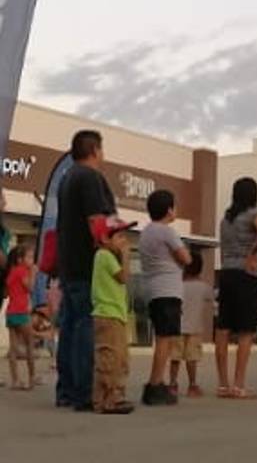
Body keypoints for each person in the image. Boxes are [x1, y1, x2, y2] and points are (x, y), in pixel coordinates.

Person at [54, 130, 116, 411]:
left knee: (69, 326)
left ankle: (66, 391)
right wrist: (111, 246)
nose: (103, 155)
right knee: (83, 326)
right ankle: (83, 393)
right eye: (101, 149)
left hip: (68, 263)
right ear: (94, 150)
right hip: (86, 264)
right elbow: (96, 221)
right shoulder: (90, 177)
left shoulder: (67, 178)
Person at [215, 177, 257, 399]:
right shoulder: (256, 214)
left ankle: (223, 385)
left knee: (223, 328)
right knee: (246, 331)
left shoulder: (226, 219)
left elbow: (224, 249)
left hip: (227, 273)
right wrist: (254, 252)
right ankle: (239, 385)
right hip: (248, 275)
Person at [139, 189, 192, 406]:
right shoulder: (167, 232)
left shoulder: (146, 232)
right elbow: (186, 258)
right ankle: (155, 384)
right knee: (165, 339)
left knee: (163, 337)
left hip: (153, 290)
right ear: (169, 210)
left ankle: (157, 382)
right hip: (168, 290)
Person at [91, 216, 137, 414]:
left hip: (116, 314)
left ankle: (116, 395)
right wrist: (126, 255)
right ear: (104, 238)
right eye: (119, 236)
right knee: (109, 358)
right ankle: (106, 400)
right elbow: (123, 277)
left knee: (120, 358)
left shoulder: (107, 256)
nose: (124, 241)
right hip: (107, 314)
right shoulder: (104, 255)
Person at [170, 253, 212, 397]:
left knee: (175, 357)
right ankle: (192, 385)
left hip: (177, 327)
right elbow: (212, 297)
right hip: (195, 328)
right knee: (192, 358)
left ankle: (173, 384)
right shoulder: (203, 287)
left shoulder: (177, 286)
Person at [6, 244, 37, 390]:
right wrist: (33, 273)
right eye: (29, 257)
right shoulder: (22, 271)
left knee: (13, 348)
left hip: (11, 312)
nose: (32, 260)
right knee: (30, 344)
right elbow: (29, 287)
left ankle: (15, 380)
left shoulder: (12, 272)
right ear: (20, 259)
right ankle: (32, 377)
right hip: (21, 312)